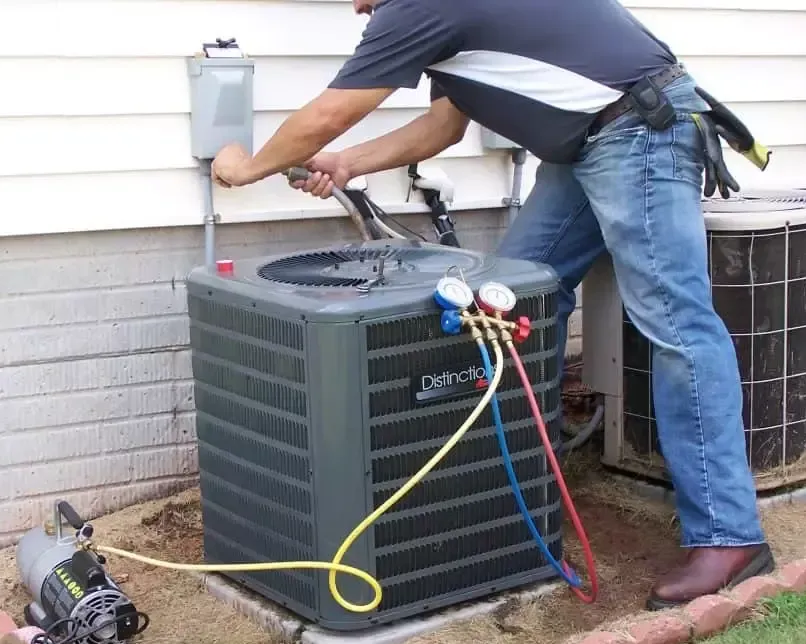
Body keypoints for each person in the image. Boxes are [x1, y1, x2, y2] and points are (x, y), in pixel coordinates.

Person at [211, 0, 775, 610]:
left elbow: (333, 110)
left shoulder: (418, 4)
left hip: (639, 130)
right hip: (589, 143)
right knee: (514, 302)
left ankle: (728, 534)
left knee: (675, 326)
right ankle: (520, 495)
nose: (358, 6)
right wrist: (346, 164)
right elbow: (445, 127)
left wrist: (246, 166)